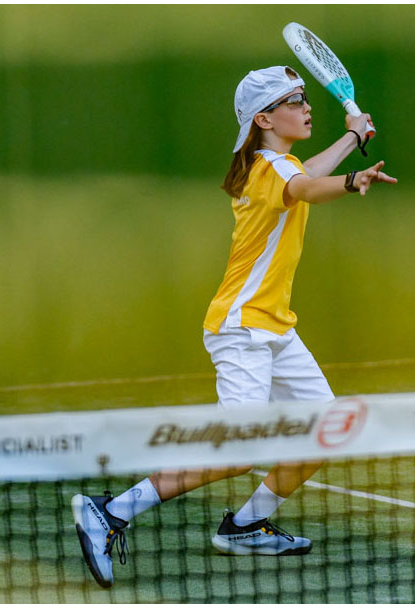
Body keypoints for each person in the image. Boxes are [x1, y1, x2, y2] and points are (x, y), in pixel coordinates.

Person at [71, 65, 396, 588]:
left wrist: (353, 138)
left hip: (275, 329)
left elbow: (305, 175)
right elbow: (310, 187)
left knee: (325, 429)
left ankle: (245, 526)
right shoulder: (271, 171)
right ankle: (110, 512)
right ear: (264, 119)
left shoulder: (274, 166)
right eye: (294, 101)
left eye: (305, 98)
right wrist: (353, 175)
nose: (307, 107)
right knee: (238, 448)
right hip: (243, 331)